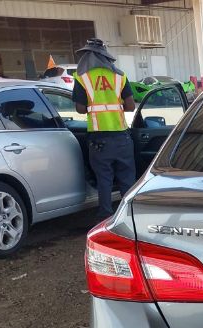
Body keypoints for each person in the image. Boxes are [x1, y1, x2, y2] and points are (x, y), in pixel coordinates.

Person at [72, 38, 136, 217]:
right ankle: (129, 216)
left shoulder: (82, 78)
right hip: (122, 137)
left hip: (99, 139)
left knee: (104, 180)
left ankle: (106, 217)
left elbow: (80, 109)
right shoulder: (119, 76)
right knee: (127, 180)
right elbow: (131, 106)